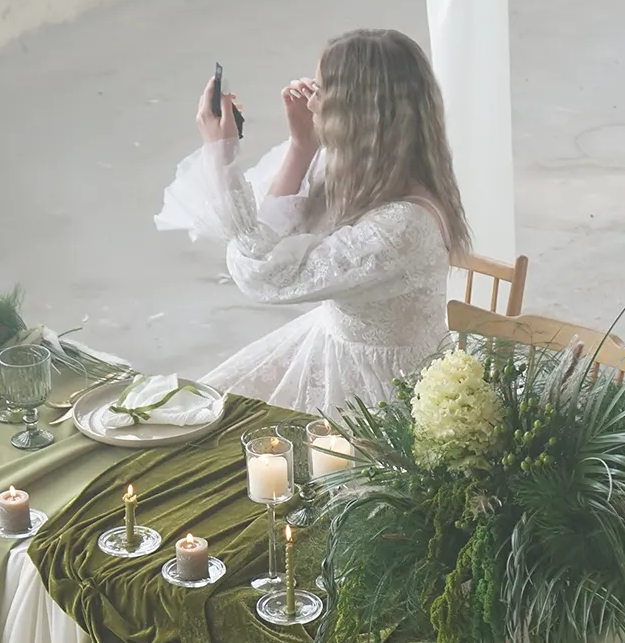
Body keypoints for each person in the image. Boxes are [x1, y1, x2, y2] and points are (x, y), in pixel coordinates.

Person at [154, 29, 469, 413]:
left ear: (356, 113)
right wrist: (302, 147)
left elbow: (263, 272)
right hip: (331, 348)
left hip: (384, 391)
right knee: (198, 407)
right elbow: (271, 234)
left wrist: (220, 153)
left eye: (321, 91)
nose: (311, 102)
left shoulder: (403, 228)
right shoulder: (361, 174)